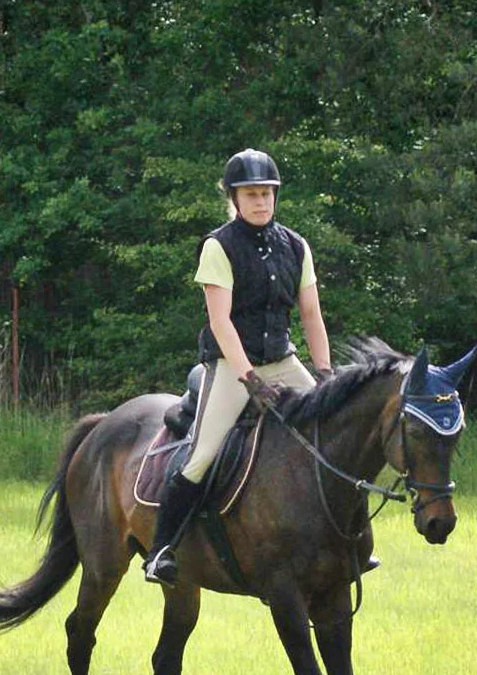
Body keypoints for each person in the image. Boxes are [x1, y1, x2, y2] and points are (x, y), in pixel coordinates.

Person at [142, 148, 334, 584]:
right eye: (251, 194)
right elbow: (219, 321)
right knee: (202, 455)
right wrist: (249, 377)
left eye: (267, 193)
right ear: (234, 197)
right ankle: (161, 550)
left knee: (329, 434)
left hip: (282, 362)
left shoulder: (296, 246)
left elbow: (311, 316)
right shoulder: (218, 246)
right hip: (231, 366)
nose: (261, 201)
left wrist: (324, 373)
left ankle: (344, 542)